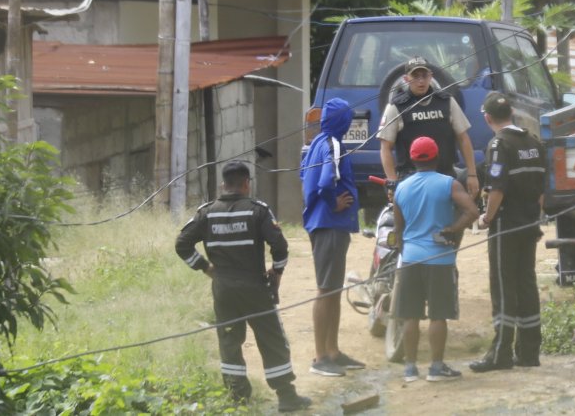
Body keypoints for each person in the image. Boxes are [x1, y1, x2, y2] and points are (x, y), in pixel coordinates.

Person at [175, 161, 311, 412]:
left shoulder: (207, 213)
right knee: (271, 339)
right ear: (247, 184)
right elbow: (280, 246)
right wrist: (277, 271)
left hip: (223, 289)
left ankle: (238, 400)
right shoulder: (258, 210)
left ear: (223, 185)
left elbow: (182, 244)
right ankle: (286, 396)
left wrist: (205, 268)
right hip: (255, 287)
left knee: (229, 341)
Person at [392, 136, 480, 382]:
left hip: (411, 258)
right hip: (440, 259)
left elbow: (398, 229)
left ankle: (410, 369)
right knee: (438, 315)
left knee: (410, 315)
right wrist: (453, 229)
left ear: (412, 159)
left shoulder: (401, 188)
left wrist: (404, 251)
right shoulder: (449, 184)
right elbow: (472, 211)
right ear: (437, 157)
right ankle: (436, 367)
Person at [470, 92, 546, 372]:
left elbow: (497, 188)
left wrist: (487, 218)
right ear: (511, 113)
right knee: (526, 284)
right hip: (529, 223)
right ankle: (529, 352)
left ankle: (500, 354)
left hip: (505, 226)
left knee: (503, 286)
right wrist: (534, 216)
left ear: (487, 118)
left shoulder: (499, 145)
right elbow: (542, 190)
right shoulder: (534, 143)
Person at [300, 97, 366, 378]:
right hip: (330, 224)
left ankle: (333, 351)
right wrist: (332, 203)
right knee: (326, 289)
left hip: (325, 224)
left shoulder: (316, 143)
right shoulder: (333, 144)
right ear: (343, 122)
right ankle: (320, 357)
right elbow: (327, 181)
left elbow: (303, 177)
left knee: (333, 289)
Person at [379, 56, 480, 198]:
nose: (421, 81)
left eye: (424, 75)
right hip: (411, 179)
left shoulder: (447, 101)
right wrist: (392, 181)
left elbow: (463, 138)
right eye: (415, 76)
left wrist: (472, 174)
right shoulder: (396, 106)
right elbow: (385, 147)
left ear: (430, 76)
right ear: (406, 78)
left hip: (445, 176)